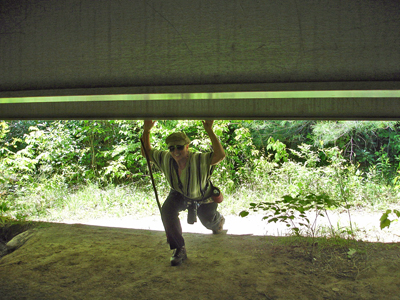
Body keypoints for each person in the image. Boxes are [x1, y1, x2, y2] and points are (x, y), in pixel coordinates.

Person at [141, 120, 226, 266]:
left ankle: (218, 221)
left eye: (179, 147)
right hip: (179, 194)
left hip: (203, 196)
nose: (175, 152)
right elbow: (147, 153)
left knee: (207, 221)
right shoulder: (166, 159)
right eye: (172, 148)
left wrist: (209, 130)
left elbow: (220, 155)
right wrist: (147, 130)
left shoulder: (199, 159)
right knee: (167, 210)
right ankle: (179, 249)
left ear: (187, 146)